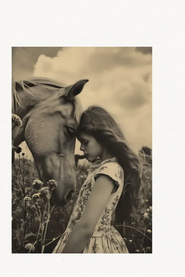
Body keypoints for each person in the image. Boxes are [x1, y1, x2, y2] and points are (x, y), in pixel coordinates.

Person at [52, 106, 143, 253]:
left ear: (102, 138)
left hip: (90, 245)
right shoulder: (107, 168)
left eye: (85, 142)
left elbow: (86, 227)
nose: (81, 148)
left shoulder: (108, 171)